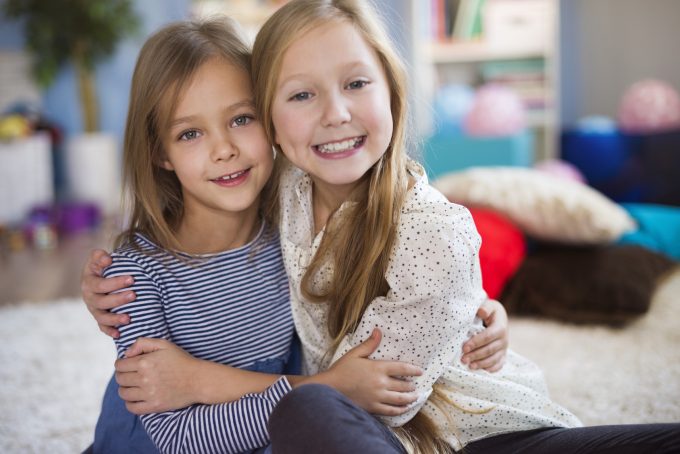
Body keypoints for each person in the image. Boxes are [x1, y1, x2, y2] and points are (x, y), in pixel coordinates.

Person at [84, 0, 680, 452]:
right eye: (301, 95)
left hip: (471, 431)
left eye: (356, 83)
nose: (335, 114)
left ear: (392, 90)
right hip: (354, 430)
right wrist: (104, 284)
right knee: (300, 413)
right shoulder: (280, 193)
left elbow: (374, 392)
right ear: (276, 120)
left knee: (310, 410)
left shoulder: (428, 230)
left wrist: (199, 379)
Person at [83, 13, 509, 454]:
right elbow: (179, 437)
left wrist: (473, 308)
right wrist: (325, 387)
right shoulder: (135, 277)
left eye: (241, 119)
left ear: (269, 119)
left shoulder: (285, 217)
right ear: (159, 151)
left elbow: (405, 267)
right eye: (190, 133)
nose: (224, 149)